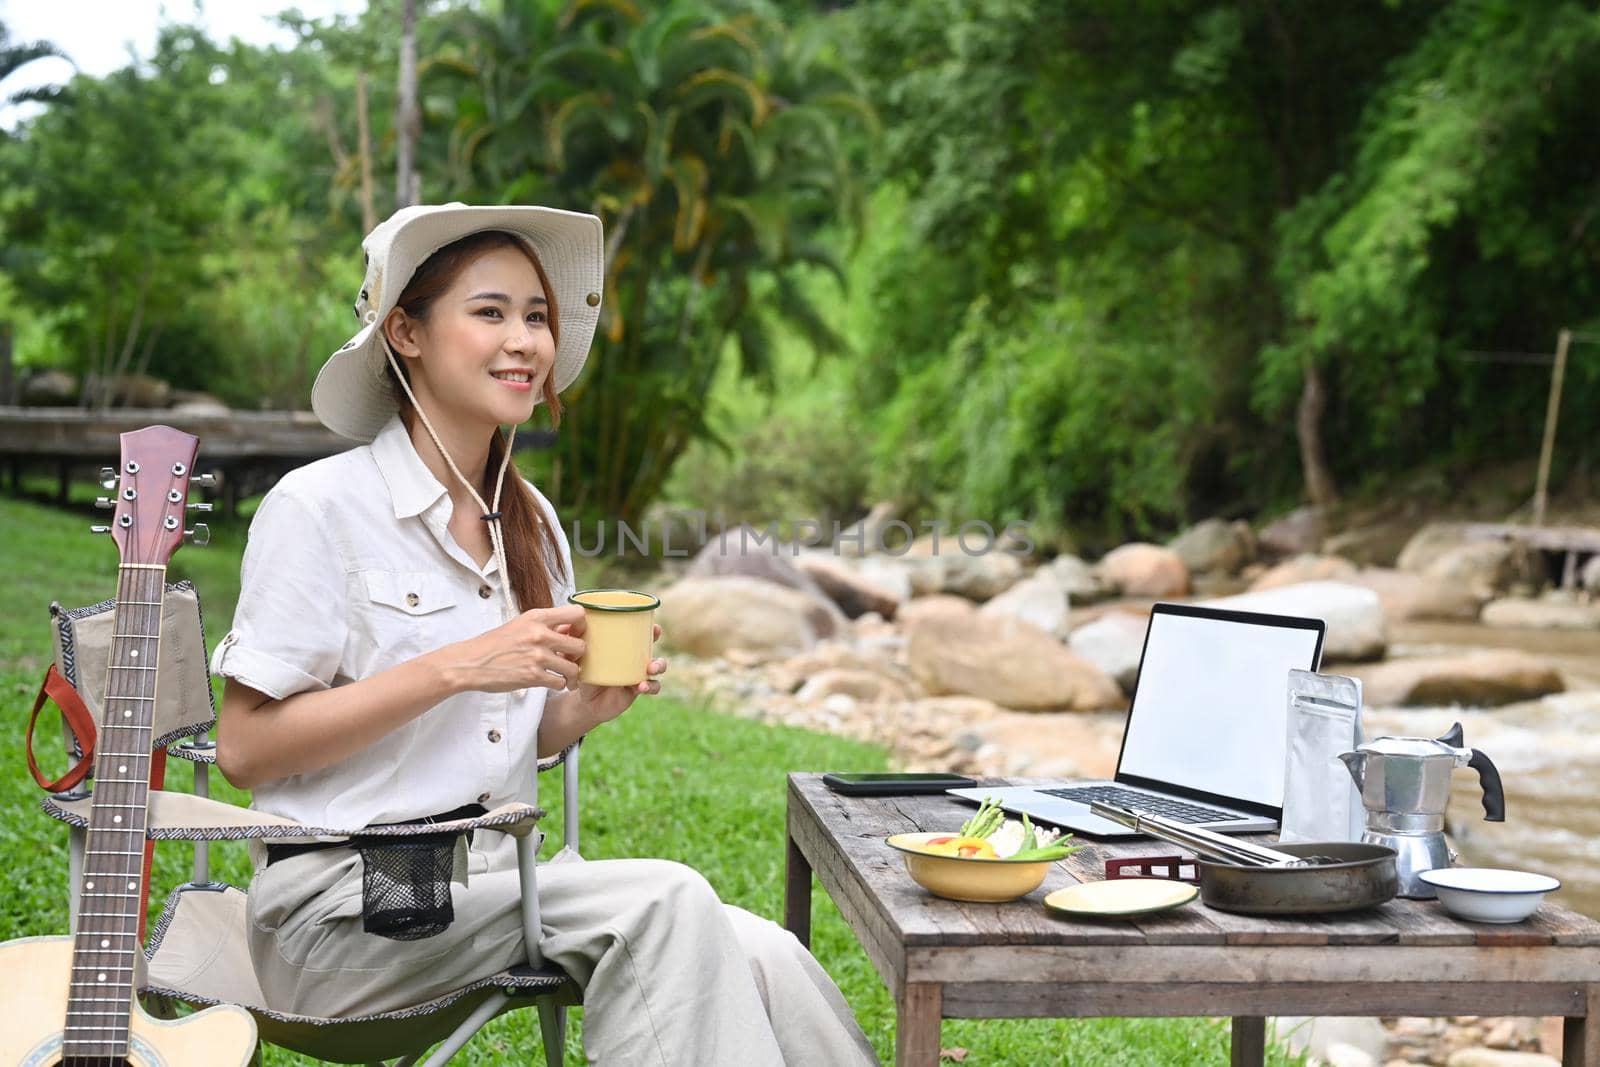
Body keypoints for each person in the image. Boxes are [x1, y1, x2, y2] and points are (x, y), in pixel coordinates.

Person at [211, 203, 876, 1065]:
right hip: (343, 919)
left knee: (771, 953)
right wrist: (458, 666)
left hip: (490, 887)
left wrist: (579, 710)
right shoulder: (318, 509)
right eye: (490, 312)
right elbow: (246, 750)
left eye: (536, 316)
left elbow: (499, 737)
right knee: (666, 898)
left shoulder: (530, 521)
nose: (524, 339)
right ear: (405, 331)